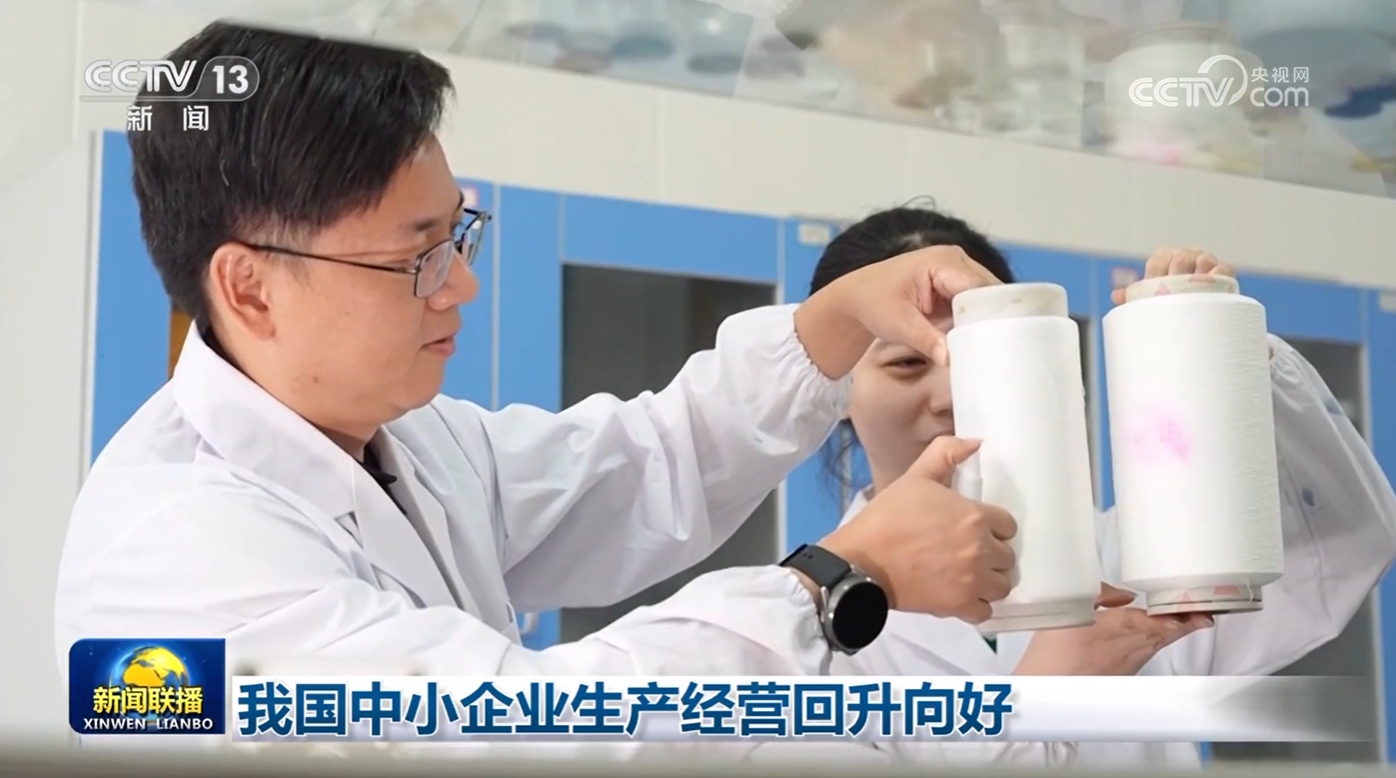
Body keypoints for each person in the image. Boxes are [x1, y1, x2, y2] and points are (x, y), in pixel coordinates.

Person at [54, 23, 1026, 757]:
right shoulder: (179, 563)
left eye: (456, 236)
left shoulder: (412, 441)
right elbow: (535, 733)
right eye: (415, 257)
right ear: (250, 287)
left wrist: (836, 318)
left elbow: (648, 467)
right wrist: (833, 582)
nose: (459, 285)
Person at [807, 204, 1396, 768]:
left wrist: (1227, 351)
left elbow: (1346, 546)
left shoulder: (1143, 559)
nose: (950, 395)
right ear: (836, 390)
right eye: (907, 363)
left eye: (978, 356)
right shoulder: (807, 626)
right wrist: (1043, 704)